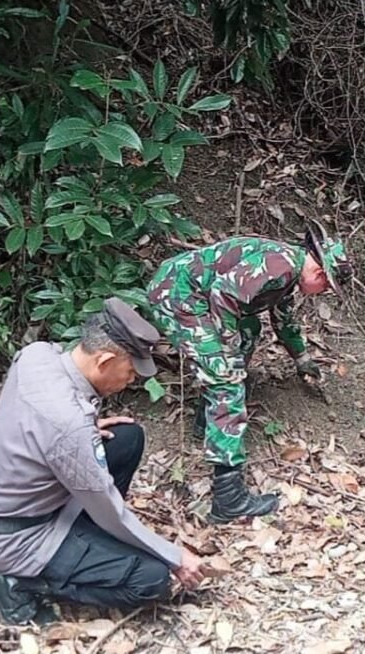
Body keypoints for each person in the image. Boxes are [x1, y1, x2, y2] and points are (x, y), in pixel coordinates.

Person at [0, 298, 205, 625]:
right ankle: (17, 584)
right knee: (151, 579)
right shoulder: (68, 425)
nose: (131, 380)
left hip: (7, 504)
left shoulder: (38, 354)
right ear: (105, 361)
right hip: (20, 538)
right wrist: (174, 556)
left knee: (127, 438)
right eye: (131, 371)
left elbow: (33, 417)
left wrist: (85, 430)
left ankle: (89, 544)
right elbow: (111, 513)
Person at [147, 221, 352, 524]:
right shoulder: (280, 264)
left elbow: (283, 321)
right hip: (180, 295)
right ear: (320, 274)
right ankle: (228, 498)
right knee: (227, 380)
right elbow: (222, 294)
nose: (321, 292)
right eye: (325, 287)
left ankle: (209, 419)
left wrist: (302, 359)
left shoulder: (287, 276)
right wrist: (227, 349)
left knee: (249, 328)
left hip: (196, 296)